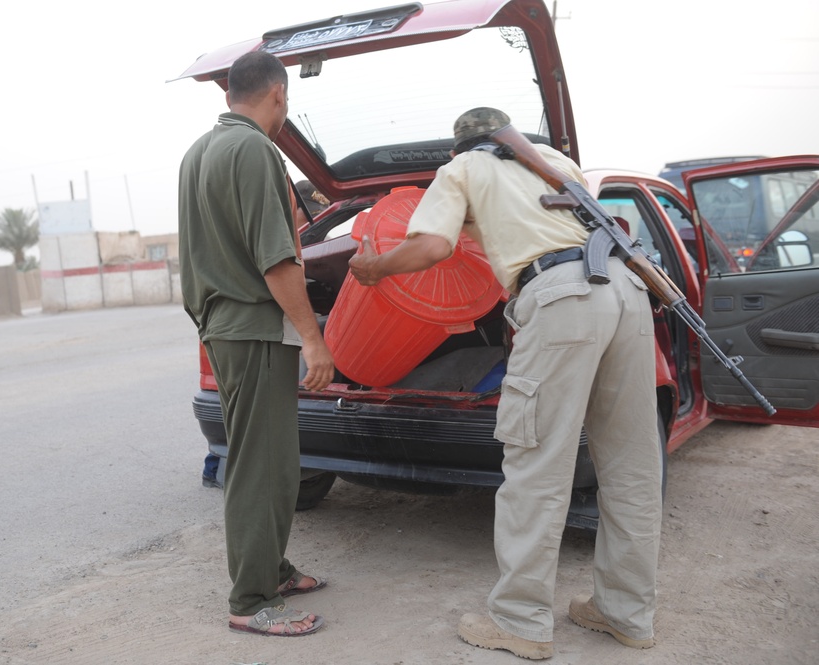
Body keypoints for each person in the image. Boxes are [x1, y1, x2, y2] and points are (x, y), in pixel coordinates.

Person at [348, 108, 662, 659]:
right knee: (632, 466)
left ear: (456, 149)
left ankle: (520, 622)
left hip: (562, 297)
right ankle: (626, 614)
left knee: (536, 465)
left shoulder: (463, 169)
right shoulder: (554, 162)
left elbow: (432, 248)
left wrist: (375, 269)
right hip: (628, 292)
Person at [177, 50, 335, 637]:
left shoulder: (201, 151)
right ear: (277, 96)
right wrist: (314, 341)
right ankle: (251, 599)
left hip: (223, 326)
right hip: (254, 328)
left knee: (271, 461)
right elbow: (276, 259)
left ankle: (273, 567)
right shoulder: (255, 151)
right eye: (286, 101)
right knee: (259, 467)